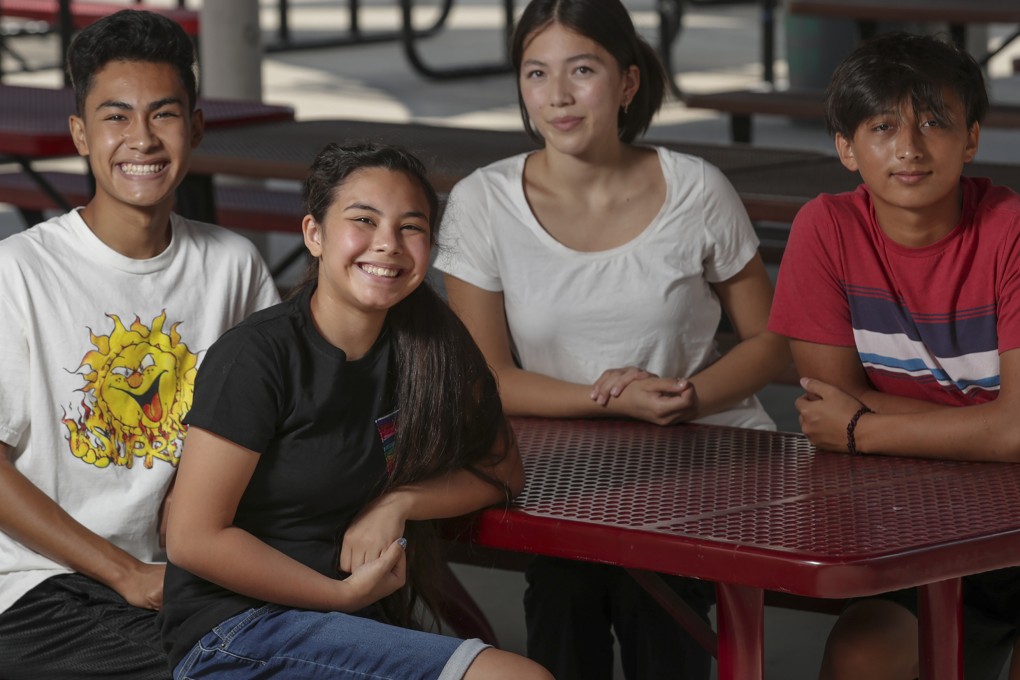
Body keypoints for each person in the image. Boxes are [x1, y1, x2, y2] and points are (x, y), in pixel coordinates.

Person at [433, 1, 790, 677]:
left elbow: (772, 343)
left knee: (657, 598)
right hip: (561, 468)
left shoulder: (697, 190)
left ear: (627, 83)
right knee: (567, 594)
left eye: (582, 70)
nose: (558, 96)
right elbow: (490, 379)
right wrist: (609, 403)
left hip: (702, 461)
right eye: (536, 73)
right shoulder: (484, 202)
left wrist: (686, 396)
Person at [156, 142, 553, 680]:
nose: (387, 245)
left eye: (410, 227)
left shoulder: (429, 344)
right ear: (314, 235)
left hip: (345, 619)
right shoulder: (258, 355)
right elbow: (192, 537)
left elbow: (504, 467)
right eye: (363, 220)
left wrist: (399, 502)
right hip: (235, 632)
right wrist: (336, 595)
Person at [0, 9, 280, 680]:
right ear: (80, 134)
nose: (142, 140)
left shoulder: (233, 266)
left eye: (163, 114)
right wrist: (126, 572)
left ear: (196, 125)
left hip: (184, 575)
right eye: (116, 117)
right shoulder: (18, 272)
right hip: (37, 586)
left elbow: (277, 430)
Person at [768, 32, 1020, 680]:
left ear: (971, 138)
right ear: (846, 148)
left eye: (933, 124)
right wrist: (983, 425)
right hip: (909, 515)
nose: (908, 148)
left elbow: (1017, 431)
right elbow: (828, 405)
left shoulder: (1010, 231)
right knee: (861, 655)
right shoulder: (825, 228)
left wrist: (864, 429)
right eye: (883, 127)